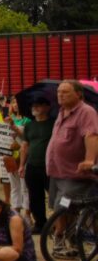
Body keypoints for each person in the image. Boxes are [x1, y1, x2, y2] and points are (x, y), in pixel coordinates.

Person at [45, 80, 98, 236]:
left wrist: (89, 160)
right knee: (58, 206)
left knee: (63, 207)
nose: (60, 95)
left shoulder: (86, 112)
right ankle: (70, 240)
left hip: (74, 174)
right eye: (59, 92)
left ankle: (60, 239)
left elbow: (92, 136)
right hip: (57, 173)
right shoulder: (62, 112)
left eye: (65, 92)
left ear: (78, 94)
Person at [19, 96, 53, 231]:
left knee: (53, 195)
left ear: (47, 107)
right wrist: (22, 165)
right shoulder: (29, 125)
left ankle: (58, 222)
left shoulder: (54, 124)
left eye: (39, 105)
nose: (35, 108)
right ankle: (40, 223)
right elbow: (25, 145)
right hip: (32, 165)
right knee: (34, 196)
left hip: (50, 166)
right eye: (33, 105)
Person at [2, 97, 29, 222]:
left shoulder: (28, 119)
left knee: (25, 186)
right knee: (14, 185)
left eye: (18, 102)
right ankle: (15, 212)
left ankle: (27, 214)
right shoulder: (8, 119)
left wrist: (14, 129)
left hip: (25, 156)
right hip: (10, 155)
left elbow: (27, 137)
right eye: (13, 102)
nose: (16, 105)